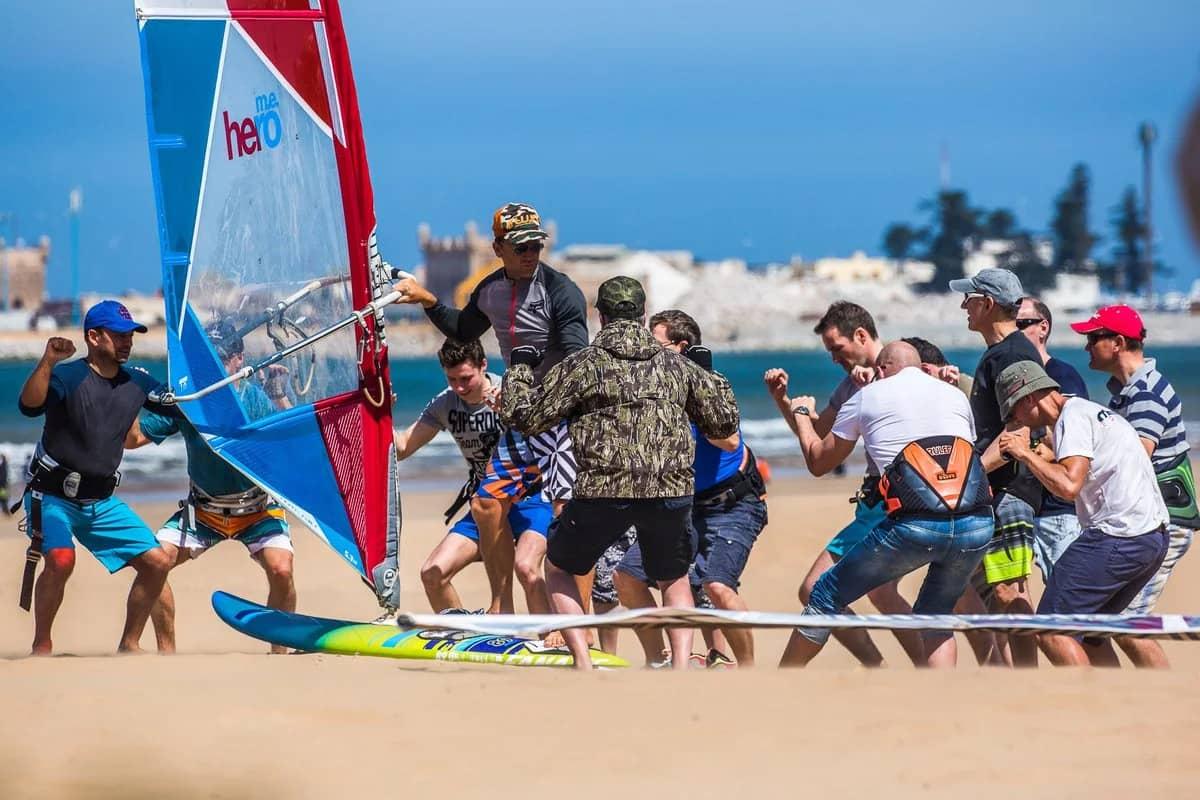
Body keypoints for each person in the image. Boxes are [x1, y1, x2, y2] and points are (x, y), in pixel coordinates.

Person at [499, 276, 740, 670]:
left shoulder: (582, 365)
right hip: (670, 489)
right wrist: (707, 373)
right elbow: (724, 422)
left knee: (560, 568)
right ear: (643, 316)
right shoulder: (676, 365)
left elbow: (525, 418)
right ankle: (680, 666)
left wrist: (521, 370)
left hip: (601, 491)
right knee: (673, 578)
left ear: (601, 316)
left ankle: (583, 661)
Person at [392, 202, 588, 611]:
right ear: (498, 247)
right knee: (485, 502)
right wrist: (428, 299)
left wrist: (549, 401)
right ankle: (503, 608)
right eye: (519, 246)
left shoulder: (559, 290)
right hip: (523, 420)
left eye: (535, 244)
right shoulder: (489, 290)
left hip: (563, 418)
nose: (529, 253)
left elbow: (576, 359)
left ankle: (579, 623)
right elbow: (463, 329)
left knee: (568, 514)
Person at [779, 342, 994, 668]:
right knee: (935, 616)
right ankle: (945, 696)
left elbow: (819, 463)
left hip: (917, 521)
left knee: (824, 595)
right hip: (976, 520)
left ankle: (781, 681)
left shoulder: (867, 395)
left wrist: (802, 415)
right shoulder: (954, 396)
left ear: (881, 370)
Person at [764, 302, 923, 667]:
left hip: (894, 499)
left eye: (837, 348)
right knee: (883, 593)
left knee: (813, 588)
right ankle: (924, 669)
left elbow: (818, 459)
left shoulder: (902, 366)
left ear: (862, 335)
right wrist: (785, 403)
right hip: (877, 501)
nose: (834, 358)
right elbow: (818, 439)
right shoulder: (849, 385)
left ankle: (875, 668)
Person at [125, 320, 295, 654]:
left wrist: (279, 397)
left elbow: (290, 445)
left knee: (281, 569)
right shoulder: (188, 399)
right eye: (210, 359)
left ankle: (280, 651)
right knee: (154, 562)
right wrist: (132, 394)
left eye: (225, 358)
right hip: (203, 512)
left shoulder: (255, 398)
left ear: (239, 359)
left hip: (257, 510)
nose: (217, 367)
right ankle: (166, 652)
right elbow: (133, 440)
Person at [15, 300, 175, 655]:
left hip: (100, 501)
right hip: (52, 495)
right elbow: (28, 405)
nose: (127, 342)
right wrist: (47, 361)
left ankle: (130, 644)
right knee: (60, 559)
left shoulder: (138, 381)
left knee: (158, 562)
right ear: (94, 336)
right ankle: (42, 644)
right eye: (118, 336)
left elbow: (179, 403)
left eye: (130, 336)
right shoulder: (67, 377)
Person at [613, 309, 766, 667]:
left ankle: (747, 670)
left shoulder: (710, 383)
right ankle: (662, 659)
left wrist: (692, 398)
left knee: (717, 586)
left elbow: (728, 441)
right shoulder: (651, 388)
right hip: (681, 503)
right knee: (627, 577)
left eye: (656, 344)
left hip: (732, 503)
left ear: (681, 347)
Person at [996, 360, 1169, 667]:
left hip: (1118, 536)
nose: (1014, 423)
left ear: (1028, 399)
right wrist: (1043, 454)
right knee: (1092, 633)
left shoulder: (1070, 420)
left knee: (1050, 629)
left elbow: (1068, 486)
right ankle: (1119, 704)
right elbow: (1081, 466)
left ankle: (1087, 704)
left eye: (1012, 413)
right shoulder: (1087, 411)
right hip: (1151, 538)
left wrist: (1023, 453)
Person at [1071, 305, 1195, 668]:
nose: (1087, 347)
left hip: (1163, 521)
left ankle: (1159, 697)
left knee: (1128, 624)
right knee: (1098, 626)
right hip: (1148, 520)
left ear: (1118, 342)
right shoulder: (1128, 391)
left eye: (1093, 338)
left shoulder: (1146, 394)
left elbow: (1135, 458)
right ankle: (1117, 696)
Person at [392, 338, 553, 615]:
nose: (459, 387)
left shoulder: (511, 392)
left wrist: (511, 411)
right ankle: (468, 637)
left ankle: (551, 635)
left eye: (466, 378)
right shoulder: (446, 403)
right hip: (485, 507)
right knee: (433, 573)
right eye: (452, 379)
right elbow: (404, 447)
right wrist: (379, 414)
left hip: (532, 501)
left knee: (526, 569)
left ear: (483, 365)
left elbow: (550, 441)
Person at [949, 267, 1041, 667]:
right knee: (995, 594)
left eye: (968, 299)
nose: (963, 306)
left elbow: (1019, 429)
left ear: (986, 304)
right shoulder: (1001, 353)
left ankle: (1027, 676)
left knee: (1008, 593)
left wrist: (968, 477)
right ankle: (1013, 674)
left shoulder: (1011, 353)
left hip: (1008, 492)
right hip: (996, 490)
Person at [1016, 296, 1090, 581]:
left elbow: (1068, 440)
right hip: (1022, 505)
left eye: (1022, 324)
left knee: (1065, 599)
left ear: (1043, 327)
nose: (1015, 331)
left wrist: (1025, 444)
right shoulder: (1012, 375)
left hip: (1058, 510)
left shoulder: (1062, 376)